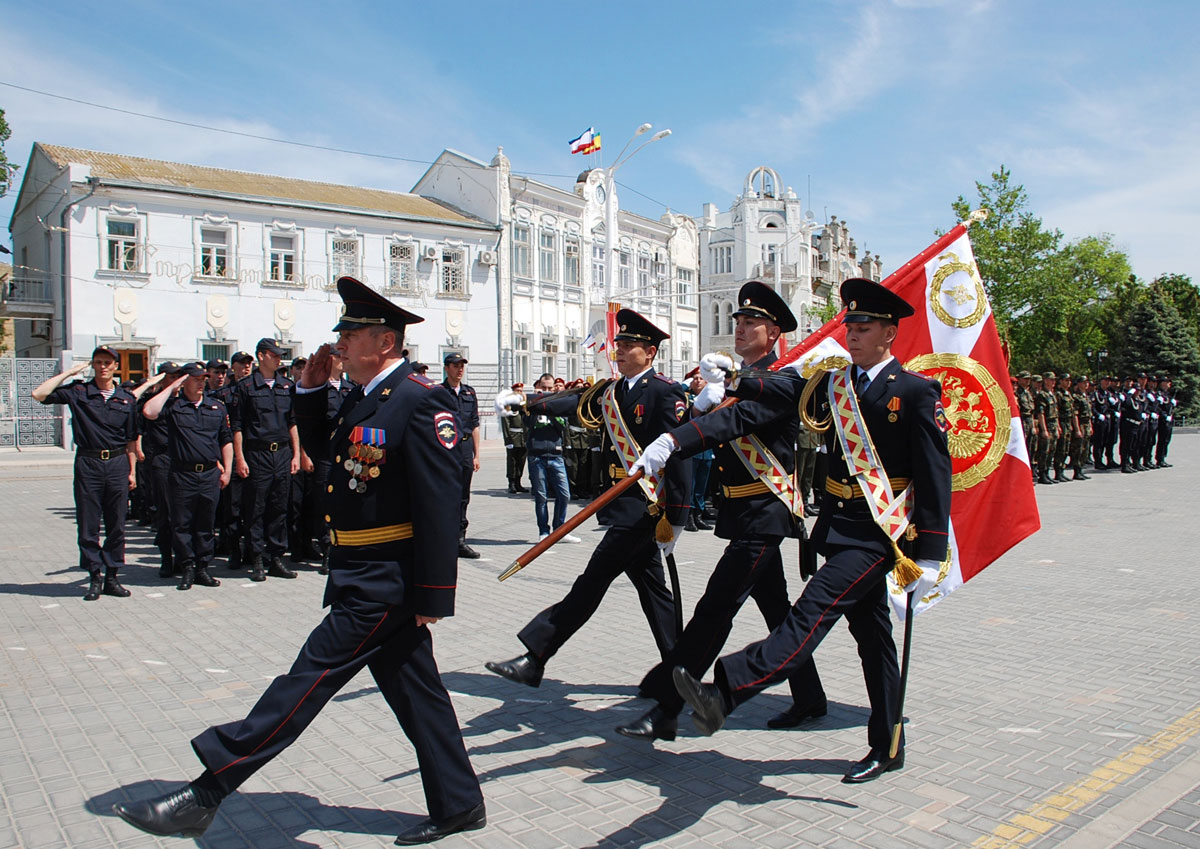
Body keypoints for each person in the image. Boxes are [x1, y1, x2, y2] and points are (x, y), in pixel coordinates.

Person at [112, 276, 484, 844]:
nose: (339, 343)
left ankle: (209, 789)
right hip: (362, 573)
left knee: (304, 681)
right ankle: (459, 803)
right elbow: (332, 455)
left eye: (351, 333)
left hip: (387, 582)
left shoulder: (421, 399)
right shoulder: (371, 395)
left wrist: (434, 595)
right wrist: (309, 393)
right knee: (419, 696)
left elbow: (441, 500)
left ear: (384, 341)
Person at [667, 278, 951, 785]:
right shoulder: (837, 384)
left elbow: (935, 475)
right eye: (850, 327)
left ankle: (727, 689)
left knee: (811, 611)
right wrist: (735, 381)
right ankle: (887, 743)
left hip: (878, 536)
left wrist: (930, 555)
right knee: (874, 640)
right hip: (838, 527)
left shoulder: (914, 391)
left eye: (863, 328)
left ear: (889, 333)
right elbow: (788, 387)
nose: (854, 335)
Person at [615, 281, 827, 742]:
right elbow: (717, 417)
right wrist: (698, 407)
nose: (741, 328)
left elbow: (734, 421)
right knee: (775, 609)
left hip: (765, 513)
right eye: (738, 321)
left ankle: (665, 708)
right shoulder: (741, 381)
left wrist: (675, 439)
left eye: (752, 322)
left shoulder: (781, 379)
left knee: (714, 609)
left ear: (774, 334)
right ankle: (810, 697)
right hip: (744, 514)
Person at [486, 309, 691, 689]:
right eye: (620, 344)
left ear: (650, 353)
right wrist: (527, 404)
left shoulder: (666, 392)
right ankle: (679, 673)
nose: (621, 351)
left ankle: (537, 655)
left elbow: (679, 455)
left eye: (629, 346)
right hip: (621, 504)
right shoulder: (613, 392)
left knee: (589, 584)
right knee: (654, 594)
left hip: (644, 508)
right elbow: (574, 402)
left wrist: (677, 516)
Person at [33, 346, 139, 601]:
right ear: (93, 365)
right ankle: (94, 576)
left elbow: (132, 439)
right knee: (88, 524)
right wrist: (69, 372)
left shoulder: (126, 398)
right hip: (88, 463)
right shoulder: (79, 392)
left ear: (115, 366)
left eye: (107, 362)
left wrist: (133, 471)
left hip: (116, 463)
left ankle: (112, 577)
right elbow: (39, 394)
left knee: (117, 524)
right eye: (98, 362)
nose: (103, 367)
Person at [142, 362, 233, 591]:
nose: (201, 383)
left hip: (210, 473)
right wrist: (175, 384)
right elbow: (149, 411)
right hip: (183, 474)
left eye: (204, 378)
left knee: (206, 524)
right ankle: (187, 567)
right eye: (196, 379)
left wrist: (228, 470)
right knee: (181, 524)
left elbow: (226, 440)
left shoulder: (216, 407)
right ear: (185, 381)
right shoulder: (174, 406)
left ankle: (203, 567)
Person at [231, 338, 300, 581]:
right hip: (257, 454)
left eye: (280, 354)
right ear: (261, 356)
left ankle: (276, 557)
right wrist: (240, 458)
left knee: (279, 507)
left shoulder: (286, 386)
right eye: (274, 354)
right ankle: (257, 558)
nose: (279, 358)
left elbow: (292, 423)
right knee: (256, 508)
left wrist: (296, 455)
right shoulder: (247, 386)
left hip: (281, 453)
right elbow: (237, 427)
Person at [521, 373, 582, 543]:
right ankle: (543, 531)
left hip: (555, 454)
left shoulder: (559, 404)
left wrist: (552, 407)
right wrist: (535, 404)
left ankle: (560, 529)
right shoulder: (531, 403)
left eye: (550, 388)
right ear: (538, 387)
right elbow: (528, 423)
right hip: (536, 455)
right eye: (543, 388)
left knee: (564, 494)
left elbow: (562, 425)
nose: (546, 391)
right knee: (541, 496)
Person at [442, 353, 481, 559]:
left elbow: (474, 424)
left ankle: (460, 539)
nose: (460, 370)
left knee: (463, 497)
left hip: (465, 449)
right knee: (445, 495)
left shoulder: (469, 393)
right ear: (446, 368)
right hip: (446, 450)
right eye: (455, 366)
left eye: (462, 366)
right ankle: (444, 539)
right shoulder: (438, 393)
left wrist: (476, 455)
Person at [216, 351, 252, 569]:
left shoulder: (257, 390)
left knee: (253, 508)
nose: (246, 368)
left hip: (254, 453)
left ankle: (251, 549)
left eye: (249, 364)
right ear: (233, 367)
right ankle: (234, 550)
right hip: (232, 454)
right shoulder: (223, 394)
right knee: (232, 507)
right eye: (241, 364)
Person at [683, 371, 714, 532]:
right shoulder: (687, 399)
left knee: (702, 484)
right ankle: (688, 515)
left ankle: (699, 514)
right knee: (692, 483)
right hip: (692, 446)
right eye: (695, 379)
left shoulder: (713, 400)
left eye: (701, 379)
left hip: (706, 447)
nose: (697, 381)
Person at [500, 382, 529, 493]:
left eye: (521, 391)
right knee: (512, 461)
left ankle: (518, 482)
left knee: (521, 461)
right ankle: (511, 483)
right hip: (513, 437)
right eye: (517, 391)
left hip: (523, 438)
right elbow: (505, 424)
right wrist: (508, 440)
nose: (519, 393)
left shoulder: (524, 406)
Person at [1015, 371, 1036, 481]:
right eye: (1025, 378)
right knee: (1023, 449)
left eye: (1028, 379)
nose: (1027, 381)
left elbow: (1032, 410)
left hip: (1029, 421)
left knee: (1031, 447)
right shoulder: (1017, 393)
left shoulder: (1028, 392)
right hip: (1022, 421)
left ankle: (1030, 473)